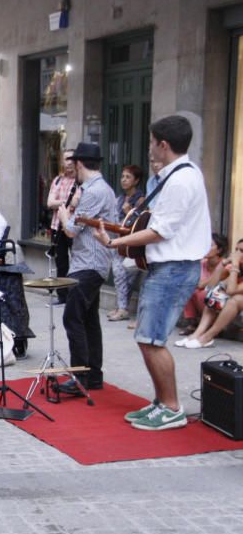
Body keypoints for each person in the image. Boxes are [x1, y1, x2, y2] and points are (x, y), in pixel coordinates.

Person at [91, 115, 211, 431]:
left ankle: (171, 407)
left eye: (150, 141)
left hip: (174, 268)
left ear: (163, 144)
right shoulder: (176, 175)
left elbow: (159, 231)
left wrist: (116, 241)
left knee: (152, 339)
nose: (148, 148)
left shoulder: (182, 179)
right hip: (166, 266)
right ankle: (161, 402)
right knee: (147, 338)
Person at [56, 142, 117, 393]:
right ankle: (93, 376)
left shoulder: (93, 191)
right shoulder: (98, 189)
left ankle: (80, 376)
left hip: (88, 264)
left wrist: (63, 213)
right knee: (89, 320)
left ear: (80, 164)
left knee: (72, 318)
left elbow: (71, 230)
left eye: (74, 164)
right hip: (91, 263)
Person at [176, 237, 239, 348]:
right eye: (236, 250)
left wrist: (235, 266)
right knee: (215, 295)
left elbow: (231, 290)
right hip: (225, 295)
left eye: (241, 251)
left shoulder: (235, 267)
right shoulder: (229, 266)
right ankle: (197, 334)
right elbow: (212, 286)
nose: (237, 254)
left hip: (237, 299)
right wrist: (223, 264)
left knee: (234, 300)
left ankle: (207, 337)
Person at [106, 165, 146, 322]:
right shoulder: (120, 198)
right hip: (118, 240)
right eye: (122, 176)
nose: (124, 180)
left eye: (128, 177)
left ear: (136, 180)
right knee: (119, 274)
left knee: (123, 274)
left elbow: (141, 222)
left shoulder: (141, 199)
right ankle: (121, 307)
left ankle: (122, 308)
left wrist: (130, 210)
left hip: (132, 242)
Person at [46, 150, 80, 303]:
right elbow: (49, 203)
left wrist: (60, 202)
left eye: (72, 159)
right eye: (66, 159)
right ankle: (62, 296)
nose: (69, 162)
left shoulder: (80, 181)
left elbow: (78, 203)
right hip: (57, 226)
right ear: (62, 161)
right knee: (61, 263)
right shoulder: (58, 180)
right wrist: (66, 202)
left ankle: (75, 295)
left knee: (78, 262)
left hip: (75, 227)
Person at [179, 233, 228, 334]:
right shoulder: (201, 263)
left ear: (219, 250)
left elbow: (203, 284)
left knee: (203, 293)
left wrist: (201, 284)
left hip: (221, 301)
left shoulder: (225, 265)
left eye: (209, 245)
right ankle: (193, 323)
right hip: (203, 299)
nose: (205, 248)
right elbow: (191, 282)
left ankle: (211, 325)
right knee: (188, 289)